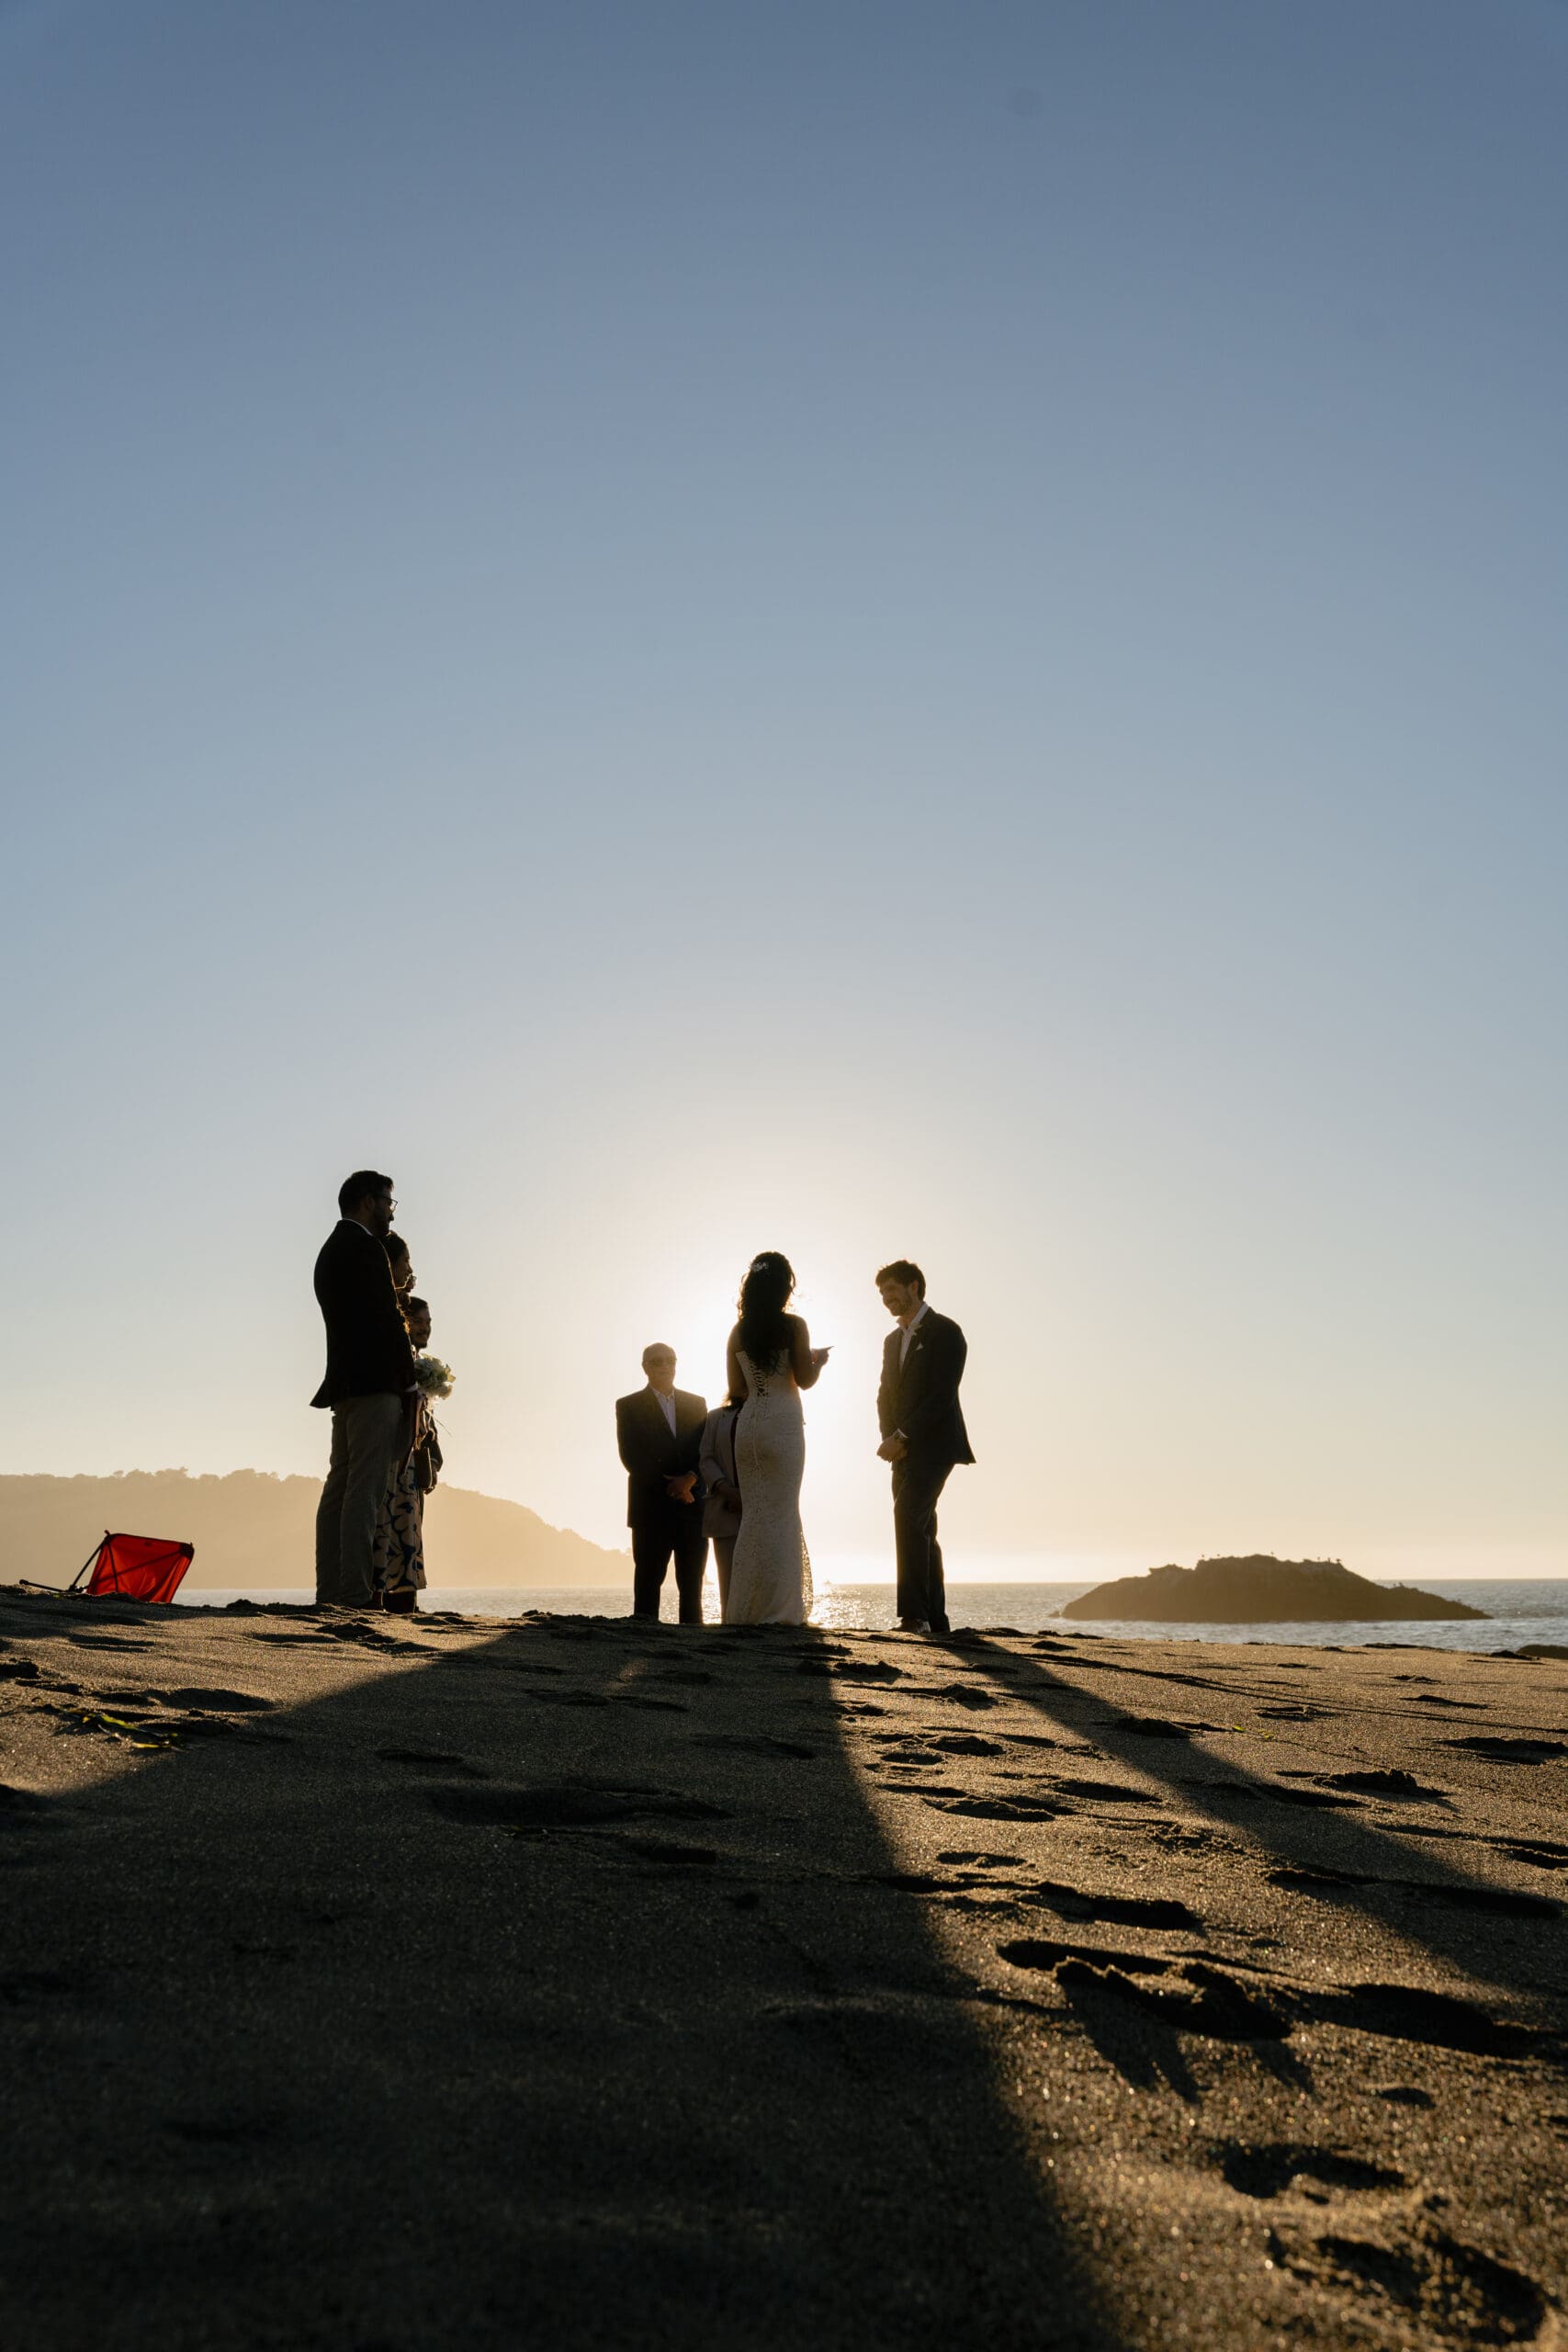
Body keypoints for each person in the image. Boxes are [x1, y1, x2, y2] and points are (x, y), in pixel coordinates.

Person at [311, 1172, 417, 1608]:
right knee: (365, 1489)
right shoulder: (366, 1247)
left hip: (345, 1383)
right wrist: (410, 1380)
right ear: (367, 1201)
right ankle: (354, 1590)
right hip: (377, 1383)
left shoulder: (329, 1251)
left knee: (339, 1486)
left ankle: (331, 1589)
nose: (392, 1211)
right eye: (389, 1202)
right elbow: (387, 1320)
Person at [723, 1253, 829, 1625]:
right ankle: (782, 1612)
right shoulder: (794, 1326)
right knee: (783, 1513)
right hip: (783, 1425)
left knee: (754, 1516)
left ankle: (745, 1610)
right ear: (785, 1286)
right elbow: (805, 1378)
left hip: (750, 1426)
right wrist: (818, 1362)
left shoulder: (738, 1332)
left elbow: (736, 1388)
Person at [874, 1260, 973, 1634]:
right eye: (882, 1293)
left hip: (936, 1445)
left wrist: (903, 1437)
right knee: (922, 1528)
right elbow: (884, 1394)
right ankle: (937, 1620)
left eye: (891, 1290)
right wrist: (889, 1439)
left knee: (908, 1516)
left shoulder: (946, 1332)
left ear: (913, 1286)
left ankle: (912, 1618)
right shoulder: (892, 1340)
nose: (886, 1299)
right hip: (900, 1449)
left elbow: (941, 1396)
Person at [616, 1345, 708, 1623]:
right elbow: (631, 1456)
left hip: (692, 1507)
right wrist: (673, 1486)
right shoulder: (628, 1405)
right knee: (648, 1581)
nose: (665, 1366)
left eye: (670, 1360)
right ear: (645, 1367)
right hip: (650, 1507)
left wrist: (690, 1480)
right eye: (657, 1362)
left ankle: (693, 1649)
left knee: (692, 1584)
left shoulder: (697, 1403)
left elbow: (706, 1450)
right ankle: (643, 1642)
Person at [373, 1287, 436, 1616]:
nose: (426, 1327)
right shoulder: (398, 1362)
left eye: (429, 1322)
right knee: (390, 1524)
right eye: (420, 1321)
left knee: (408, 1525)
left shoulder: (415, 1362)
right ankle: (385, 1599)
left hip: (411, 1462)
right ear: (405, 1322)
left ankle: (403, 1602)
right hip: (396, 1458)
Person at [697, 1395, 744, 1618]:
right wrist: (727, 1490)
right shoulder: (716, 1417)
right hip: (724, 1509)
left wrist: (752, 1496)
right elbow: (706, 1458)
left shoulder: (772, 1415)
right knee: (728, 1582)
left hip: (763, 1509)